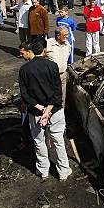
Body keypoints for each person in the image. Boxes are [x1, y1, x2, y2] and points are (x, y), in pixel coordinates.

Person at [18, 40, 72, 182]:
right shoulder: (52, 66)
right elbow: (57, 92)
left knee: (39, 141)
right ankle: (63, 172)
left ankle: (43, 171)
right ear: (44, 51)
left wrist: (40, 108)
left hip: (36, 113)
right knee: (59, 141)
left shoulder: (24, 70)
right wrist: (48, 110)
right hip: (55, 110)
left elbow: (25, 95)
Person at [46, 27, 72, 108]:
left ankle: (61, 113)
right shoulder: (49, 43)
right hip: (50, 76)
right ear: (58, 36)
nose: (67, 37)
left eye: (67, 35)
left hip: (63, 74)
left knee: (62, 96)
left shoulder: (67, 44)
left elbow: (68, 55)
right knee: (50, 96)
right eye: (65, 35)